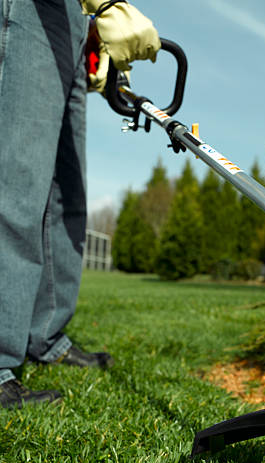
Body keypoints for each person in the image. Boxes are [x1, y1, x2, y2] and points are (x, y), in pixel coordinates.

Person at [0, 0, 160, 409]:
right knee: (17, 181)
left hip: (72, 19)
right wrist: (107, 4)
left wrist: (92, 33)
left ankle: (47, 336)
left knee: (66, 192)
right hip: (32, 8)